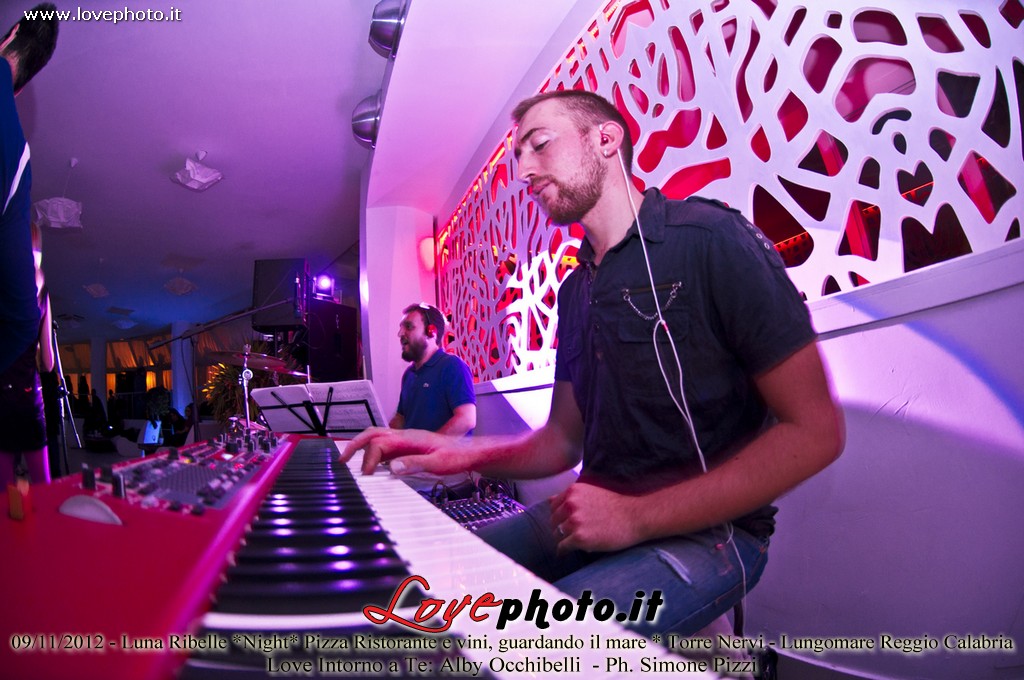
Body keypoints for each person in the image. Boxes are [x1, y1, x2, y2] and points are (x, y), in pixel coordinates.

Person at [342, 90, 844, 639]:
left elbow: (816, 431)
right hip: (592, 511)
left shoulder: (710, 240)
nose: (524, 172)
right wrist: (451, 452)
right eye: (519, 158)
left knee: (538, 642)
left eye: (539, 145)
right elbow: (561, 442)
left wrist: (634, 517)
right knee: (419, 596)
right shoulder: (575, 291)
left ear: (605, 139)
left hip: (714, 536)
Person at [0, 4, 59, 490]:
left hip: (17, 393)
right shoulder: (18, 155)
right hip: (20, 389)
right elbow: (44, 356)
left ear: (14, 31)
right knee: (33, 488)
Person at [389, 302, 476, 436]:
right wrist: (381, 435)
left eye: (408, 327)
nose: (400, 333)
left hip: (441, 451)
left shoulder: (452, 366)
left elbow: (466, 419)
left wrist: (428, 446)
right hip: (414, 450)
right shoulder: (409, 374)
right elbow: (401, 419)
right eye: (401, 328)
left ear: (431, 332)